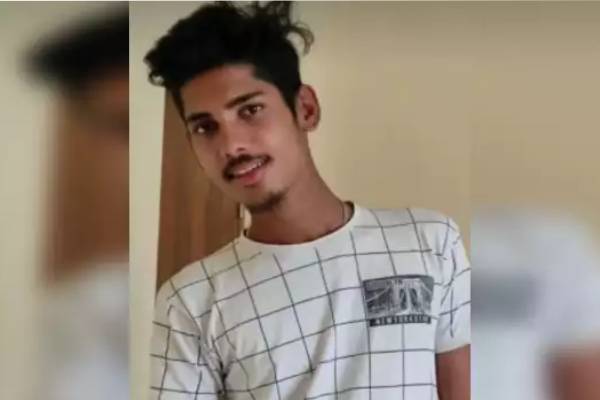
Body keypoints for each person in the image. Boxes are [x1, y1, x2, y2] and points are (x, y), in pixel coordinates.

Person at [144, 2, 470, 400]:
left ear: (306, 109)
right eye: (205, 127)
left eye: (250, 110)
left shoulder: (430, 241)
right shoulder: (190, 302)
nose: (231, 145)